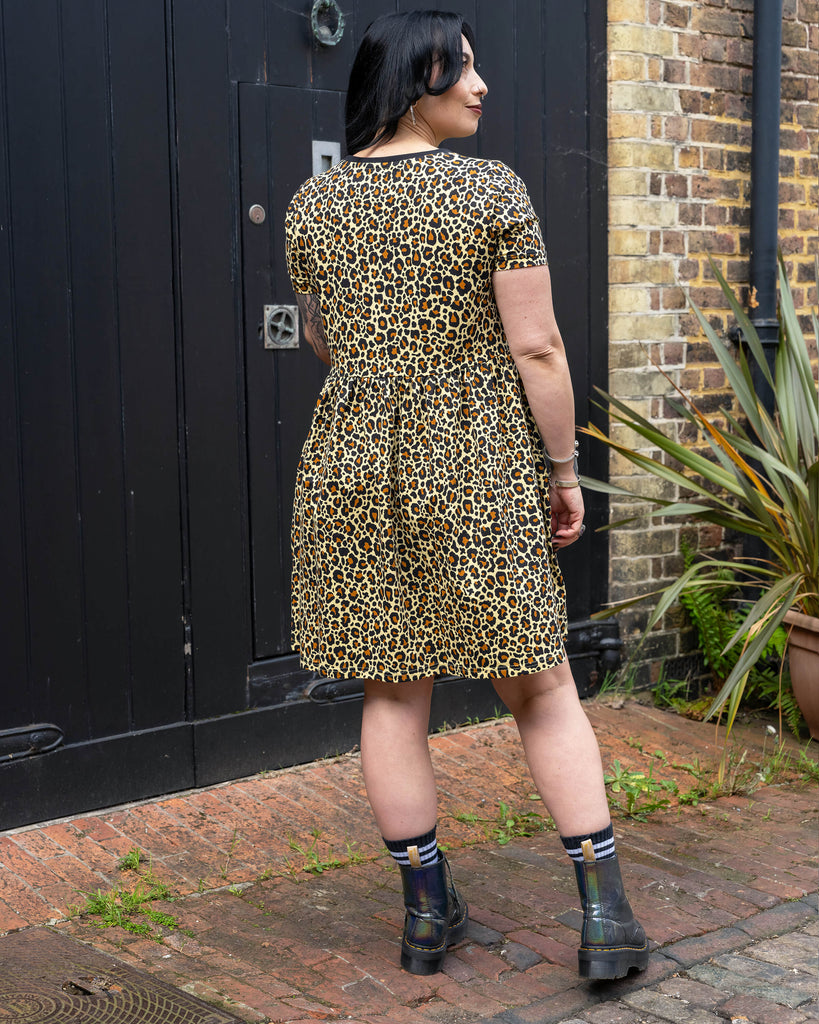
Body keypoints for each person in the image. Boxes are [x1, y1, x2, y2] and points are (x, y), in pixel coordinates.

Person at [285, 10, 648, 981]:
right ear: (415, 79)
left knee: (392, 689)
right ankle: (606, 919)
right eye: (464, 68)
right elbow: (536, 346)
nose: (482, 85)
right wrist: (564, 469)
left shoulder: (314, 205)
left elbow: (322, 337)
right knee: (540, 682)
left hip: (353, 463)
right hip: (475, 460)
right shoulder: (489, 190)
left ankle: (424, 915)